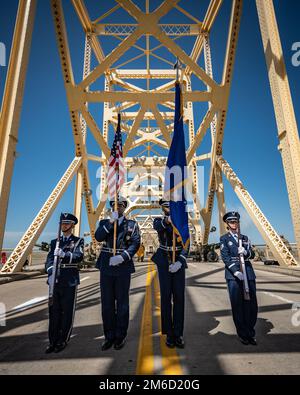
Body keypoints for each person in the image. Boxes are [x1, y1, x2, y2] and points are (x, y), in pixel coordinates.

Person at [95, 196, 140, 351]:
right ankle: (109, 336)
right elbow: (98, 237)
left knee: (122, 303)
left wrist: (123, 256)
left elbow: (136, 242)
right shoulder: (104, 223)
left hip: (122, 265)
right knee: (107, 304)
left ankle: (120, 336)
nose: (117, 207)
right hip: (107, 265)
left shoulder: (132, 225)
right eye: (114, 205)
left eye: (120, 205)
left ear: (124, 207)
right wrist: (110, 223)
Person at [151, 198, 188, 349]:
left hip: (177, 260)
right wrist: (168, 220)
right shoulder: (159, 220)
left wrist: (181, 261)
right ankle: (169, 333)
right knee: (166, 298)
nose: (168, 208)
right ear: (163, 208)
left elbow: (187, 241)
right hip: (164, 260)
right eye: (166, 206)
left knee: (179, 297)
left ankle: (178, 333)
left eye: (171, 206)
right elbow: (158, 226)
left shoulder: (182, 221)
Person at [45, 213, 84, 353]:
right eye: (62, 223)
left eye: (67, 224)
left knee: (67, 312)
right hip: (55, 279)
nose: (64, 226)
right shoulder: (54, 242)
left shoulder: (78, 241)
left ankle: (63, 340)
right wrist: (50, 273)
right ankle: (52, 341)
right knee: (53, 312)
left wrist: (65, 255)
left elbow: (79, 256)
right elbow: (49, 260)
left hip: (69, 279)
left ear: (72, 226)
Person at [220, 211, 258, 345]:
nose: (234, 224)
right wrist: (235, 271)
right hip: (233, 274)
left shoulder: (245, 238)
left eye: (235, 221)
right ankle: (242, 334)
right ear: (227, 224)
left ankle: (250, 332)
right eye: (231, 222)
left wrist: (246, 252)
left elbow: (252, 254)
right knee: (238, 305)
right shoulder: (224, 239)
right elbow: (225, 256)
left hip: (247, 271)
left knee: (251, 304)